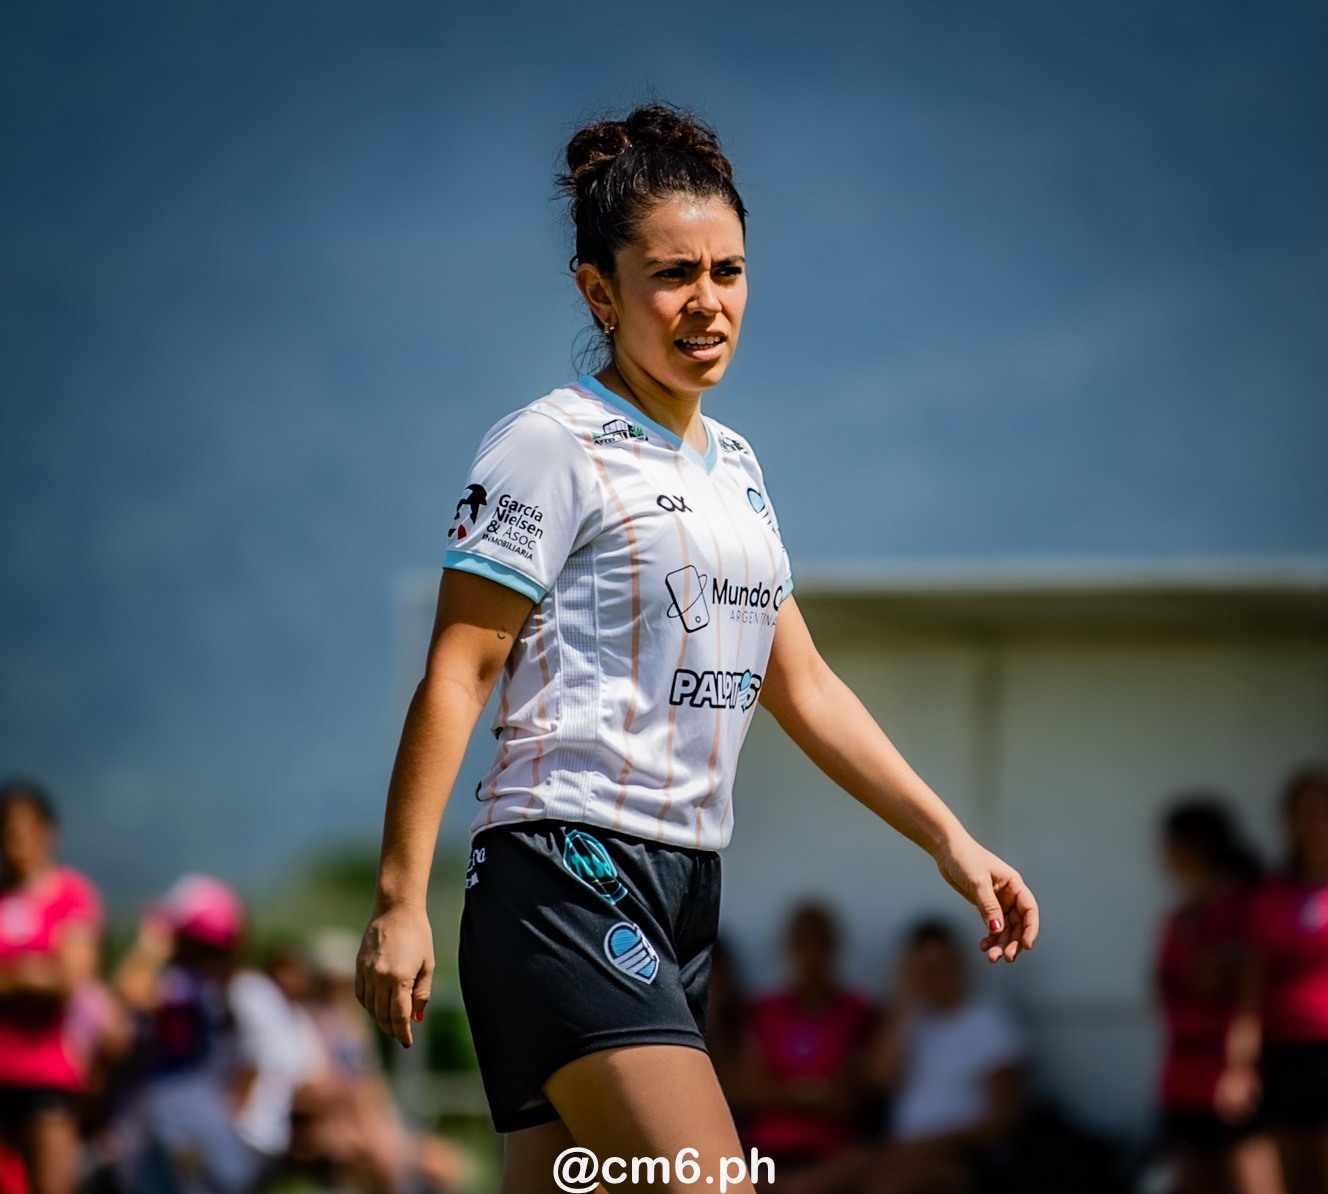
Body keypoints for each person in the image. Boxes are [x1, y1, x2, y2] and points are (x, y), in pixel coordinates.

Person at [354, 100, 1039, 1194]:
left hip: (682, 895)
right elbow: (458, 669)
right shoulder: (549, 443)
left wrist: (949, 842)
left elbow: (802, 685)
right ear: (599, 291)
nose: (707, 303)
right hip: (564, 875)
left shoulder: (740, 467)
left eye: (727, 270)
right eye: (672, 275)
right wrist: (398, 900)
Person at [1154, 799, 1282, 1194]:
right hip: (1182, 1070)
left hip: (1226, 1067)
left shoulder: (1237, 910)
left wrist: (1238, 1067)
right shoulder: (1186, 913)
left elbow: (1242, 995)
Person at [861, 919, 1026, 1194]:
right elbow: (879, 1079)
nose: (935, 977)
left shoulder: (989, 1023)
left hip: (962, 1157)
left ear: (958, 963)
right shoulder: (911, 1020)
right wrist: (908, 1003)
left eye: (941, 966)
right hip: (901, 1152)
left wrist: (930, 1144)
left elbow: (1003, 1120)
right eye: (925, 969)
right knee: (829, 1176)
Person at [0, 780, 103, 1194]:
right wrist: (28, 973)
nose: (16, 841)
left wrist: (13, 977)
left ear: (48, 832)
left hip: (48, 1073)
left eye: (25, 829)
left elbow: (69, 979)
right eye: (8, 831)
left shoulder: (72, 896)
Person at [734, 903, 877, 1192]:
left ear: (834, 948)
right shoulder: (765, 1011)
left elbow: (847, 1100)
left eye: (820, 943)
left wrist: (781, 1091)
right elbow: (745, 1089)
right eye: (802, 944)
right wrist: (811, 1093)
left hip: (832, 1157)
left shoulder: (859, 1012)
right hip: (764, 1152)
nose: (811, 955)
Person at [1244, 768, 1328, 1194]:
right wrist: (1240, 1062)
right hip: (1285, 1054)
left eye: (1320, 812)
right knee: (1292, 1174)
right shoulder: (1272, 893)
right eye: (1302, 813)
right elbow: (1254, 983)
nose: (1312, 823)